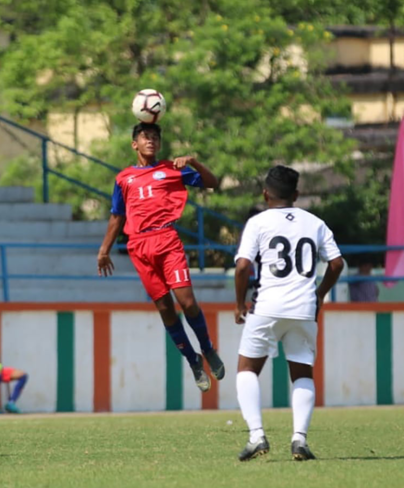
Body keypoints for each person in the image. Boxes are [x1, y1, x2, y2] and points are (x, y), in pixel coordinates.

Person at [97, 122, 225, 392]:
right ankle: (192, 360)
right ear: (135, 144)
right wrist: (104, 250)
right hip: (139, 246)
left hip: (166, 240)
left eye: (155, 137)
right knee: (165, 309)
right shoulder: (124, 178)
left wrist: (194, 162)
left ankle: (207, 349)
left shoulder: (171, 169)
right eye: (145, 137)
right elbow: (117, 216)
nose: (151, 141)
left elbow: (212, 183)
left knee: (187, 302)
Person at [232, 166, 344, 461]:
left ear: (265, 193)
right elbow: (336, 264)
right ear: (296, 194)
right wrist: (319, 293)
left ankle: (257, 436)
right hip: (304, 308)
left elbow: (243, 266)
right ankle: (299, 439)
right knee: (302, 373)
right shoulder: (316, 223)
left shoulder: (258, 222)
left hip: (267, 306)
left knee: (246, 370)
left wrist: (239, 303)